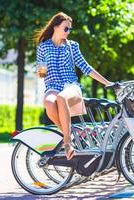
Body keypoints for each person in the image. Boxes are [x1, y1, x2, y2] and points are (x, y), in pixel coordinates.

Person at [34, 12, 113, 160]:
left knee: (61, 98)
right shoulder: (43, 47)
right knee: (49, 102)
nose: (68, 32)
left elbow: (86, 67)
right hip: (52, 85)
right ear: (56, 27)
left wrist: (107, 83)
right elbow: (41, 74)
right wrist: (40, 71)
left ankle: (68, 142)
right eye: (66, 28)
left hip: (71, 86)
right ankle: (69, 134)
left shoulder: (72, 46)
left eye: (70, 29)